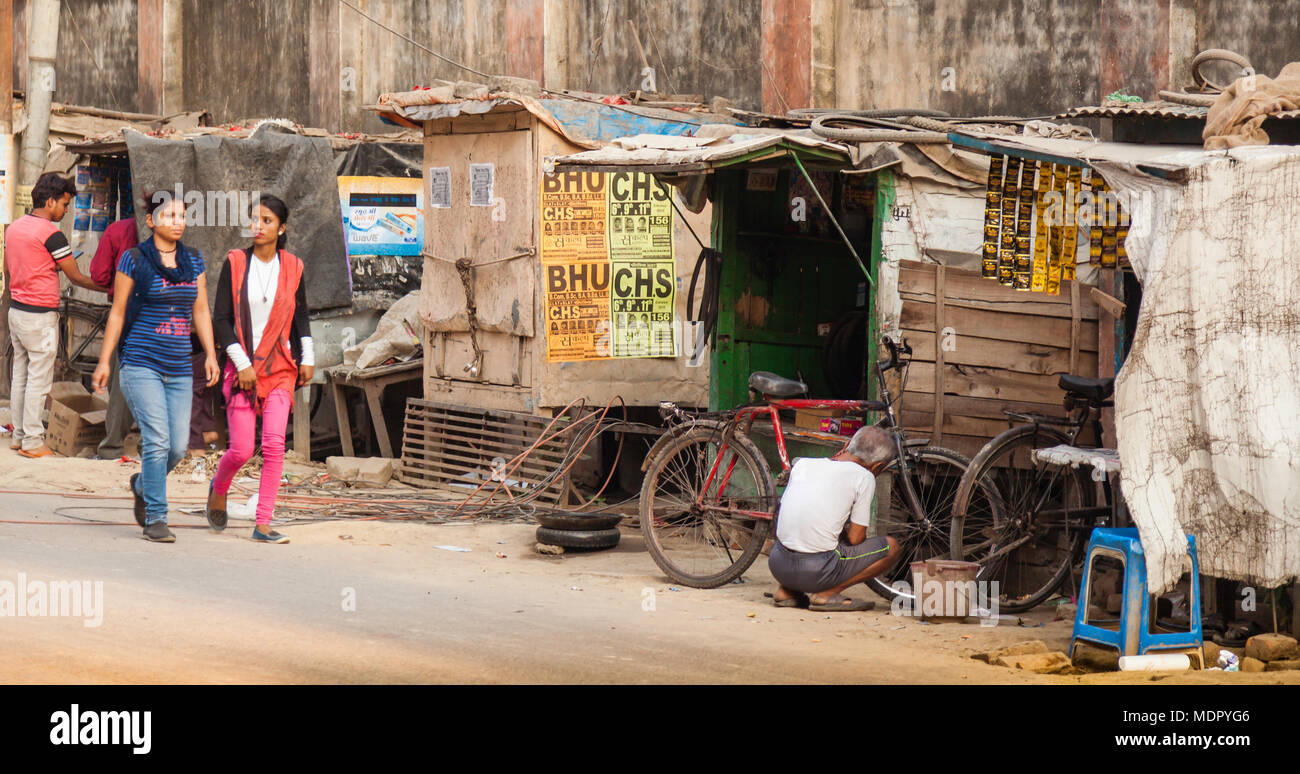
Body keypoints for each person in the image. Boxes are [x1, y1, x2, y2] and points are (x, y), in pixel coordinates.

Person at [92, 192, 219, 543]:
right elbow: (117, 312)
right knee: (157, 441)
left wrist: (209, 353)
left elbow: (201, 310)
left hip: (179, 366)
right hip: (140, 362)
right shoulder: (134, 260)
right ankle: (156, 517)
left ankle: (142, 483)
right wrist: (105, 360)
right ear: (151, 221)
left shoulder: (194, 260)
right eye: (169, 215)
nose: (177, 221)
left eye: (182, 215)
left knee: (178, 447)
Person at [206, 195, 313, 544]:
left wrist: (307, 357)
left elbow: (301, 317)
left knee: (274, 445)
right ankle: (219, 487)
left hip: (281, 367)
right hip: (242, 369)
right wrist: (242, 364)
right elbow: (220, 319)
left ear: (281, 228)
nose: (258, 226)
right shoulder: (236, 263)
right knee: (240, 450)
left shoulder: (294, 267)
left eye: (267, 220)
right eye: (255, 219)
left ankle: (263, 522)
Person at [3, 172, 109, 457]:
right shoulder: (52, 233)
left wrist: (43, 268)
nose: (64, 210)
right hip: (39, 315)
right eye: (63, 204)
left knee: (22, 374)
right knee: (39, 380)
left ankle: (20, 436)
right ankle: (33, 442)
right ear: (50, 202)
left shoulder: (14, 228)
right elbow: (75, 278)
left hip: (17, 311)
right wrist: (106, 285)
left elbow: (9, 270)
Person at [768, 426, 901, 611]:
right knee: (891, 547)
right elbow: (856, 539)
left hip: (777, 564)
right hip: (816, 570)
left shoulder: (803, 464)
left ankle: (786, 591)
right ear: (877, 466)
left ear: (846, 445)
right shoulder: (865, 477)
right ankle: (826, 594)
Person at [89, 216, 141, 460]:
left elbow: (99, 274)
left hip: (126, 309)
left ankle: (112, 447)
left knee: (121, 380)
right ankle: (148, 446)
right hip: (165, 316)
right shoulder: (184, 252)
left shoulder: (120, 229)